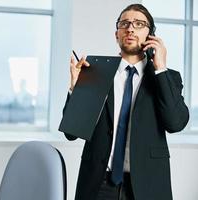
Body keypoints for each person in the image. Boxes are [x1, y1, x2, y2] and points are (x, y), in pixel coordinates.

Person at [62, 4, 189, 200]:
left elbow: (175, 123)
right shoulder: (95, 73)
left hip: (148, 184)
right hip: (98, 184)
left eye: (139, 24)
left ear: (150, 35)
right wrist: (75, 88)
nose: (130, 28)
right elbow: (71, 134)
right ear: (117, 34)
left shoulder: (167, 77)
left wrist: (160, 68)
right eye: (125, 23)